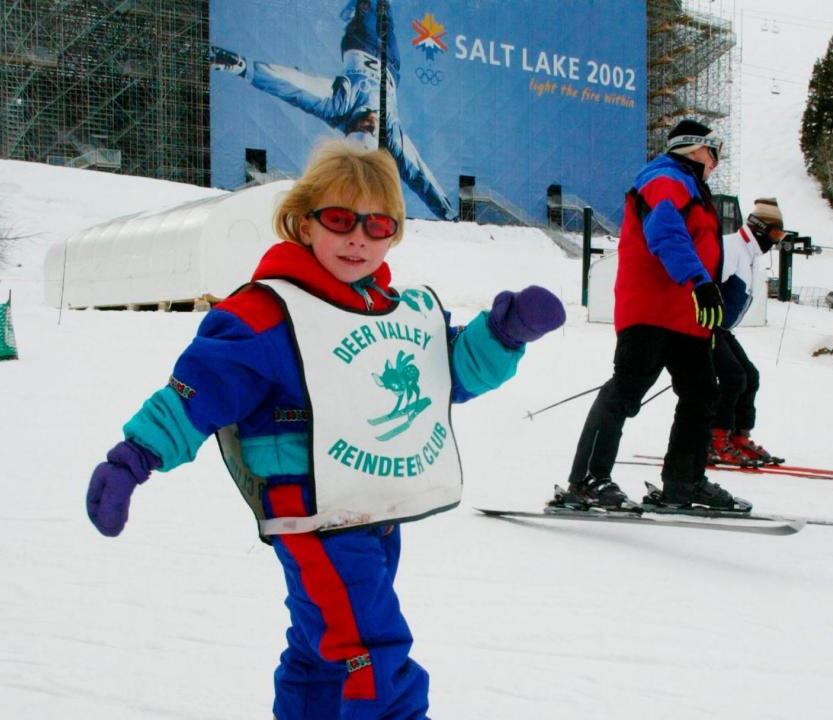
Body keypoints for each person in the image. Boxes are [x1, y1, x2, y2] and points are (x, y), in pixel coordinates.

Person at [85, 139, 564, 720]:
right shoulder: (266, 314)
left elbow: (449, 373)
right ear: (304, 222)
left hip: (374, 512)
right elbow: (198, 392)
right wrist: (132, 458)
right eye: (340, 220)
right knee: (369, 651)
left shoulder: (394, 311)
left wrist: (503, 333)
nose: (358, 237)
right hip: (313, 517)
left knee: (323, 651)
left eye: (378, 223)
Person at [559, 118, 749, 512]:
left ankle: (685, 482)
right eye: (716, 151)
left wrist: (711, 294)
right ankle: (587, 481)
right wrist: (699, 281)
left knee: (701, 395)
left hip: (686, 315)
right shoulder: (664, 178)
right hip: (651, 309)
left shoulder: (693, 187)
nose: (717, 161)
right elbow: (664, 230)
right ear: (697, 148)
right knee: (627, 390)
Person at [210, 0, 457, 221]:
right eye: (372, 130)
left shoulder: (338, 106)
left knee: (371, 6)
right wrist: (448, 212)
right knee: (387, 12)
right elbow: (419, 174)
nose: (370, 123)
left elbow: (294, 86)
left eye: (365, 126)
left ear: (352, 127)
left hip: (362, 44)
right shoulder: (390, 135)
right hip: (391, 66)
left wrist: (243, 67)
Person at [708, 198, 788, 467]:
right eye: (775, 234)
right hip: (708, 326)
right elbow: (708, 284)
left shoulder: (751, 254)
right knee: (733, 377)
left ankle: (738, 436)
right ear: (760, 229)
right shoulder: (732, 247)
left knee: (750, 376)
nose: (776, 241)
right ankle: (715, 439)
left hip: (723, 328)